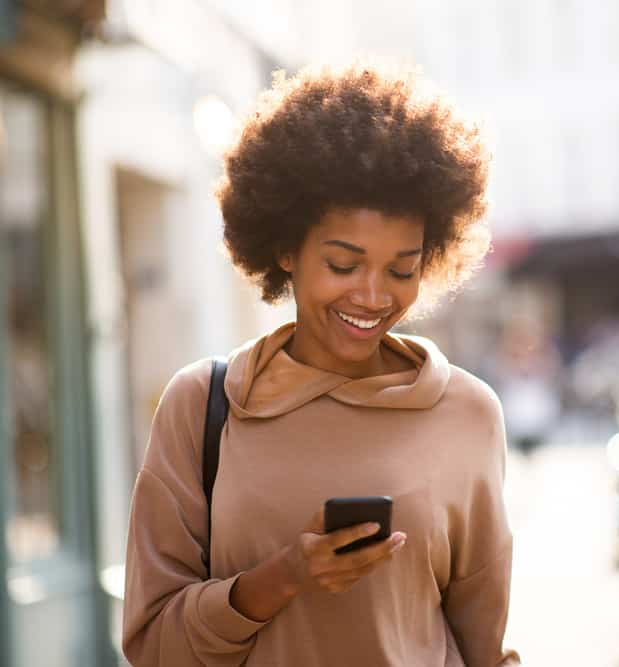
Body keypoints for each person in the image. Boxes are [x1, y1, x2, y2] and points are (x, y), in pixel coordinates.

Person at [122, 63, 520, 667]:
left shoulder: (467, 412)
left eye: (401, 269)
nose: (372, 296)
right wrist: (280, 578)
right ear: (286, 249)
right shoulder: (203, 406)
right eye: (342, 264)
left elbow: (483, 645)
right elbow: (153, 644)